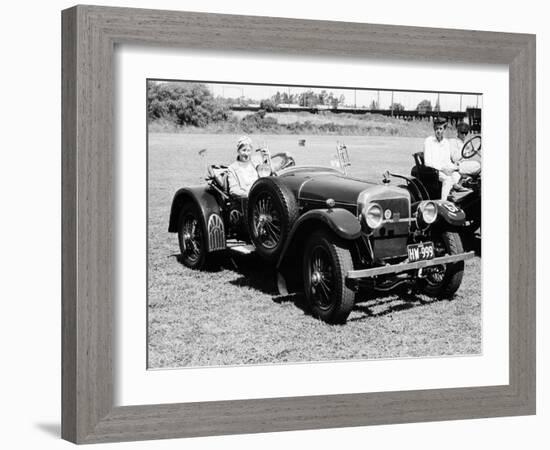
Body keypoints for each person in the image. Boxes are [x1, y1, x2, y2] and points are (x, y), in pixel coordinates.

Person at [423, 117, 462, 200]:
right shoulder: (428, 141)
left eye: (441, 128)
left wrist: (454, 167)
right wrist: (443, 169)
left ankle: (450, 194)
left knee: (457, 174)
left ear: (444, 129)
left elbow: (447, 161)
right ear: (434, 129)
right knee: (448, 179)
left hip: (444, 170)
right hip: (433, 171)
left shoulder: (446, 143)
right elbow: (427, 162)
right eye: (436, 128)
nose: (438, 131)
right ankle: (443, 202)